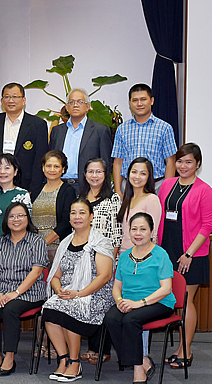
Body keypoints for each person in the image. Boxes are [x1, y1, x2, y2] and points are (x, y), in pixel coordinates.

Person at [42, 198, 114, 382]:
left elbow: (104, 276)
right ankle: (63, 359)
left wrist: (79, 294)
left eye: (82, 212)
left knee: (69, 308)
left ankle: (75, 363)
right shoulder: (65, 243)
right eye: (73, 212)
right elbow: (55, 275)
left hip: (95, 294)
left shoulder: (101, 242)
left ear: (91, 216)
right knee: (49, 308)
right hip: (67, 292)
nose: (77, 216)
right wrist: (58, 290)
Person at [158, 142, 212, 369]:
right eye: (179, 161)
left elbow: (207, 225)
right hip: (167, 250)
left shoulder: (204, 190)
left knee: (187, 301)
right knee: (178, 302)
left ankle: (186, 351)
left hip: (191, 253)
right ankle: (180, 347)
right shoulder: (167, 184)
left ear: (197, 164)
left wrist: (189, 253)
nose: (183, 165)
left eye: (188, 161)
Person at [105, 212, 175, 383]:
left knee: (130, 320)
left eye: (143, 229)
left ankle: (138, 369)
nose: (138, 233)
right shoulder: (124, 255)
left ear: (151, 231)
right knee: (111, 318)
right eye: (134, 229)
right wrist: (119, 301)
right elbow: (117, 287)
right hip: (129, 301)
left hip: (158, 302)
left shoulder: (161, 254)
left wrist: (139, 303)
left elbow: (166, 289)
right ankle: (143, 360)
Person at [0, 202, 48, 376]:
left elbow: (36, 272)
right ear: (6, 220)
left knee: (10, 309)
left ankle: (9, 356)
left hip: (29, 292)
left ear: (28, 219)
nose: (16, 219)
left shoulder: (37, 241)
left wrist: (16, 293)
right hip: (2, 291)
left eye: (21, 215)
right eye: (12, 216)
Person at [78, 158, 123, 365]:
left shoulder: (114, 199)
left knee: (102, 304)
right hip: (83, 259)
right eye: (90, 171)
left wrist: (111, 261)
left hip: (105, 260)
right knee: (87, 302)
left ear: (105, 175)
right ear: (85, 174)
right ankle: (90, 347)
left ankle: (102, 349)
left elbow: (116, 234)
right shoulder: (80, 198)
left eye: (99, 172)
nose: (94, 175)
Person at [112, 83, 178, 199]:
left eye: (143, 99)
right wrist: (118, 190)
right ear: (130, 102)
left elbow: (170, 162)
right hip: (128, 186)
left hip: (156, 186)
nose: (139, 104)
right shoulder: (122, 129)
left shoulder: (164, 128)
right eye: (135, 100)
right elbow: (118, 162)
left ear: (151, 101)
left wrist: (166, 191)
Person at [0, 82, 48, 192]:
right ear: (2, 101)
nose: (11, 100)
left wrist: (34, 187)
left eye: (15, 97)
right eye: (7, 97)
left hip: (25, 184)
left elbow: (40, 159)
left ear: (23, 100)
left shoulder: (37, 124)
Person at [49, 89, 113, 193]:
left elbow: (106, 163)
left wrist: (104, 191)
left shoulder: (100, 131)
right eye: (71, 102)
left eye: (80, 102)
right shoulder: (57, 131)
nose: (75, 105)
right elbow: (50, 159)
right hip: (59, 186)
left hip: (88, 187)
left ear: (87, 106)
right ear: (67, 107)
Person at [0, 153, 32, 271]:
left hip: (15, 247)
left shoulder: (23, 194)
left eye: (7, 168)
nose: (2, 172)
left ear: (15, 171)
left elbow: (26, 224)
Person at [30, 150, 77, 262]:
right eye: (48, 166)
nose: (52, 170)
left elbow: (66, 222)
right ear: (43, 168)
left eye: (56, 166)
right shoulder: (36, 190)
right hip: (34, 249)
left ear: (63, 169)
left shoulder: (68, 191)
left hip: (57, 249)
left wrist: (43, 243)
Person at [117, 157, 162, 254]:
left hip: (142, 257)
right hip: (123, 255)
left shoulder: (151, 200)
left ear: (149, 177)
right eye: (134, 172)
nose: (137, 177)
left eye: (143, 173)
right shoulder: (127, 199)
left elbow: (152, 235)